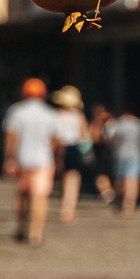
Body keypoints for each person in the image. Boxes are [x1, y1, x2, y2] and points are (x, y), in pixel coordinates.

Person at [3, 78, 62, 245]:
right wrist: (55, 157)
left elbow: (11, 136)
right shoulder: (50, 113)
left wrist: (9, 157)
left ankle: (22, 228)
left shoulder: (16, 111)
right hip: (43, 161)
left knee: (22, 195)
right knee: (40, 197)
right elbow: (55, 140)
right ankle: (36, 233)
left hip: (22, 159)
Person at [52, 86, 92, 223]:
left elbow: (53, 135)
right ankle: (70, 209)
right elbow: (85, 135)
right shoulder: (79, 116)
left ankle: (64, 207)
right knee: (73, 179)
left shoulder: (55, 115)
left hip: (59, 147)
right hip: (74, 148)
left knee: (62, 179)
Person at [106, 104, 140, 214]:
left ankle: (125, 203)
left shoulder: (116, 123)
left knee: (122, 182)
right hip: (137, 155)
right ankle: (130, 205)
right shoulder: (139, 124)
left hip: (121, 155)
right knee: (133, 181)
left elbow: (110, 140)